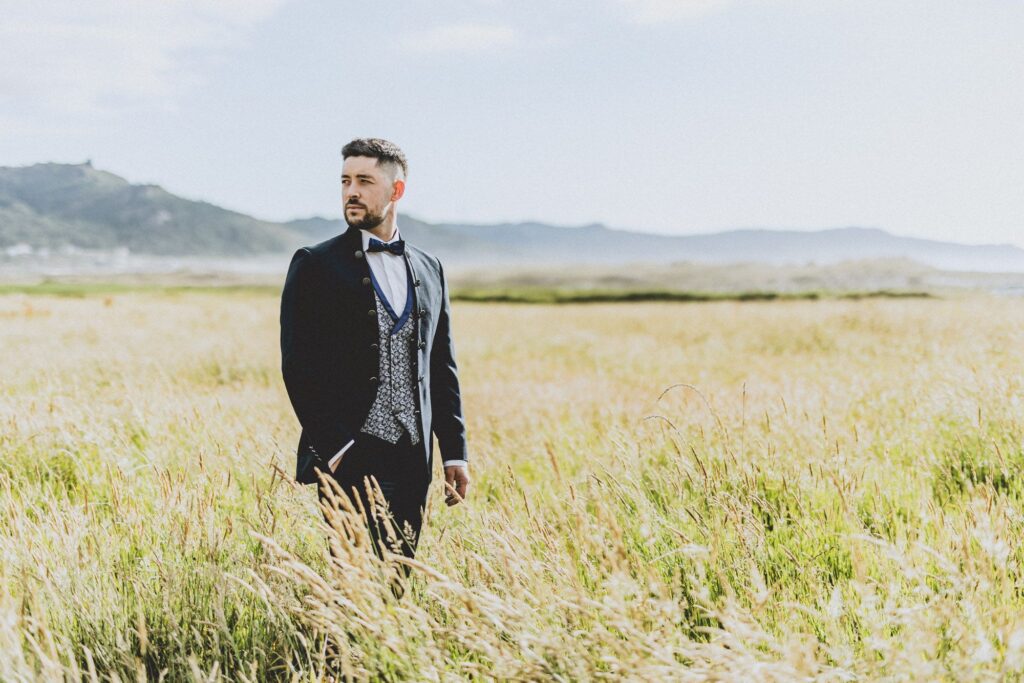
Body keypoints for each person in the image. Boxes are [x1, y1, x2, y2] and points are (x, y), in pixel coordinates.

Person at [280, 137, 470, 575]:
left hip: (412, 455)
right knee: (350, 585)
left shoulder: (429, 267)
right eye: (345, 180)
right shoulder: (315, 264)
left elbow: (441, 367)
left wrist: (454, 451)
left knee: (399, 577)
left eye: (365, 181)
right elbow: (298, 365)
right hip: (347, 454)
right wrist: (337, 447)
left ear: (396, 191)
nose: (351, 191)